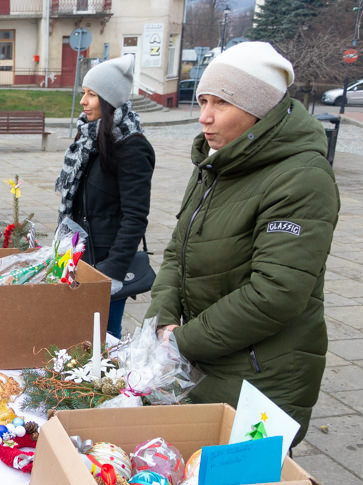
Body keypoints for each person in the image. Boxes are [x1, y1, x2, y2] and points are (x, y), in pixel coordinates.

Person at [145, 42, 340, 446]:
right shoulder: (217, 164)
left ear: (261, 109)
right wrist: (163, 320)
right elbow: (175, 254)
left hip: (259, 378)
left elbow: (275, 293)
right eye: (202, 100)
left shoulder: (301, 177)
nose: (205, 117)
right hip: (200, 362)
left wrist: (180, 341)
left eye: (222, 103)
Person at [54, 55, 155, 339]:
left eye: (92, 95)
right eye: (83, 93)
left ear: (109, 100)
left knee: (102, 340)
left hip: (106, 265)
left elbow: (135, 217)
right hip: (78, 258)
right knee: (72, 336)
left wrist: (110, 273)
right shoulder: (89, 138)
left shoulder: (132, 147)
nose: (83, 101)